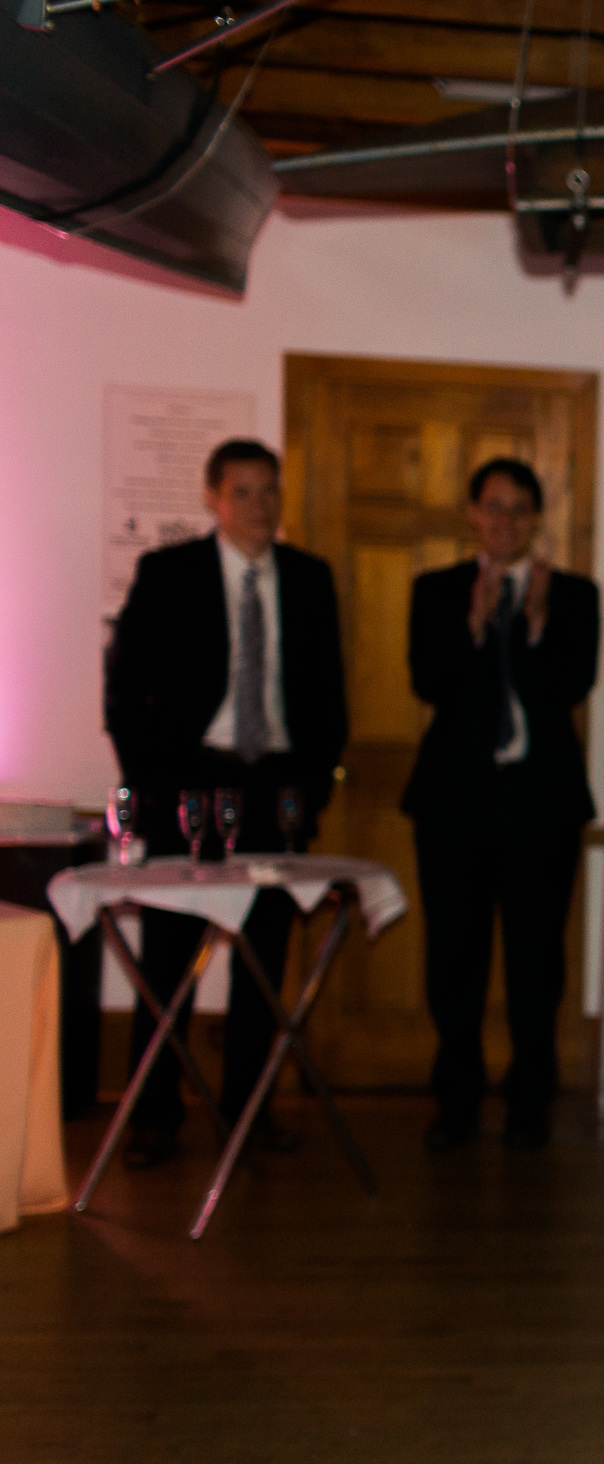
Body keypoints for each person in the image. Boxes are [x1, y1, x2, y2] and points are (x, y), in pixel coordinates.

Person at [102, 438, 346, 1168]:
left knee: (264, 964)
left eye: (269, 490)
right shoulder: (168, 573)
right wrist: (147, 787)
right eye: (242, 492)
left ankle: (249, 1114)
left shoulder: (308, 579)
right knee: (170, 956)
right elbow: (123, 694)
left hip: (273, 789)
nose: (259, 506)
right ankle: (153, 1115)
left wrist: (311, 781)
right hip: (186, 785)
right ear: (212, 499)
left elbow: (328, 698)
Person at [403, 458, 600, 1153]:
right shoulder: (436, 590)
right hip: (454, 807)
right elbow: (431, 682)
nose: (506, 520)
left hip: (540, 805)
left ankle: (529, 1099)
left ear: (537, 518)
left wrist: (538, 624)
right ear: (472, 514)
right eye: (494, 506)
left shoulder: (574, 594)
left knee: (535, 964)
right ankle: (455, 1101)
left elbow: (570, 687)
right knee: (453, 960)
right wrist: (476, 625)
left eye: (520, 508)